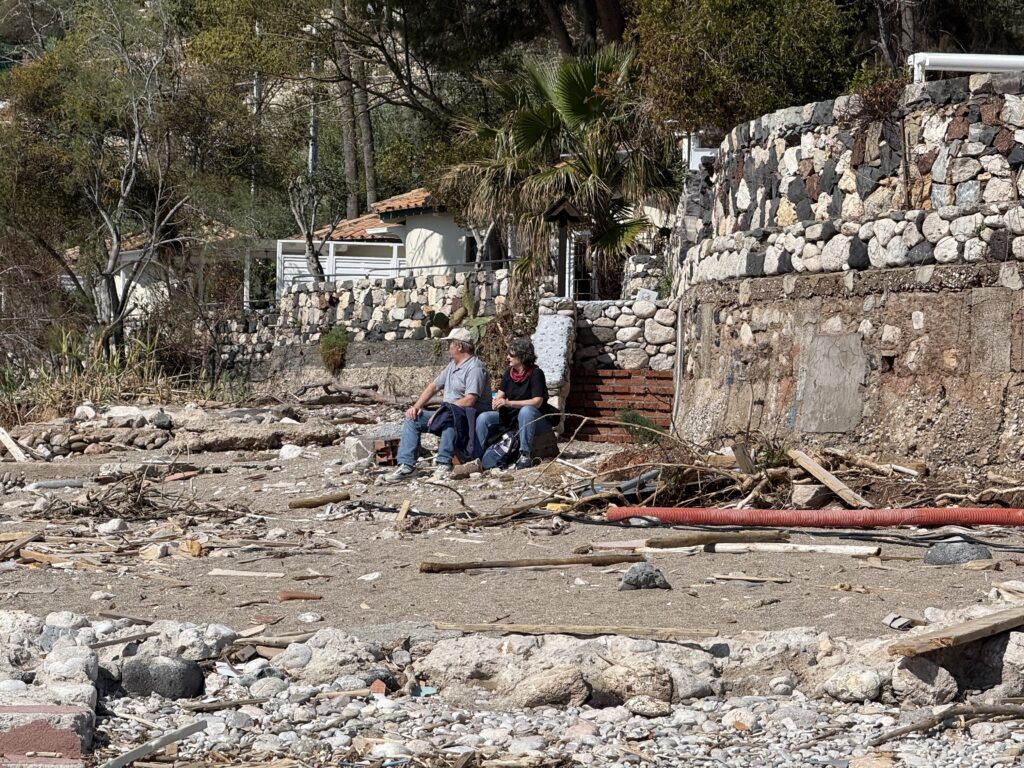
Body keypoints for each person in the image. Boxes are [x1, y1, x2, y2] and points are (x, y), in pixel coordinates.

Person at [383, 327, 490, 482]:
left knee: (450, 417)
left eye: (450, 344)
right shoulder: (452, 366)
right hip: (447, 412)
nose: (448, 348)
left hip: (465, 416)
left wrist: (445, 410)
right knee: (412, 419)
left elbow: (470, 400)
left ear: (459, 346)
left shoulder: (475, 368)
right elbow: (433, 386)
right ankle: (406, 465)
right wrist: (416, 406)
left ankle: (443, 463)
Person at [475, 337, 553, 470]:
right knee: (484, 418)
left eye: (511, 355)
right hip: (511, 417)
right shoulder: (509, 373)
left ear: (522, 356)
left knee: (526, 411)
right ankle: (477, 456)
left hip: (535, 419)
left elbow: (537, 401)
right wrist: (496, 401)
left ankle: (525, 454)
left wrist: (508, 403)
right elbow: (500, 394)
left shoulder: (536, 374)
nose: (507, 357)